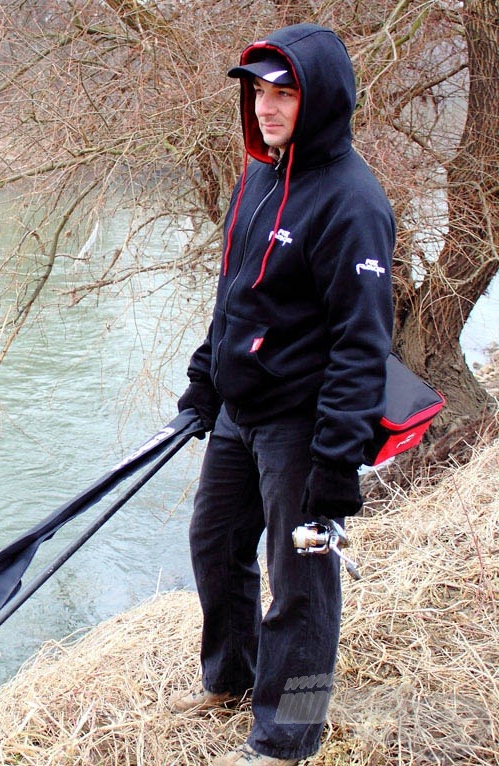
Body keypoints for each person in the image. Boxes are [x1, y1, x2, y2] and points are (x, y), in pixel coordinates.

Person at [172, 24, 395, 766]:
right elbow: (234, 294)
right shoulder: (261, 173)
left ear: (320, 98)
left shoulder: (353, 203)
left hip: (303, 426)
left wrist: (337, 465)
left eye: (285, 92)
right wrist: (205, 381)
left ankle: (290, 734)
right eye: (259, 92)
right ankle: (233, 682)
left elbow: (363, 347)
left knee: (302, 586)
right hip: (242, 413)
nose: (267, 107)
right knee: (214, 544)